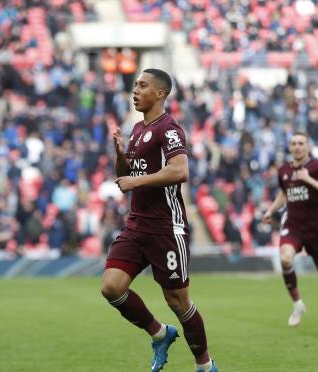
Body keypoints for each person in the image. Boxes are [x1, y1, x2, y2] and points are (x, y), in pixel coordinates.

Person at [100, 69, 218, 372]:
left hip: (166, 227)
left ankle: (205, 366)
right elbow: (125, 175)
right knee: (111, 287)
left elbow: (181, 172)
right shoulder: (138, 129)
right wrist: (120, 155)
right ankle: (160, 334)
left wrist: (136, 183)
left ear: (160, 93)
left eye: (142, 85)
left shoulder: (170, 129)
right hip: (136, 224)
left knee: (178, 302)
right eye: (135, 85)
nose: (135, 90)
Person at [262, 132, 318, 331]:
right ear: (290, 147)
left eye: (301, 143)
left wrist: (309, 180)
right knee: (285, 259)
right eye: (294, 144)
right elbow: (284, 193)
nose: (297, 147)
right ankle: (298, 304)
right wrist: (271, 210)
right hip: (292, 226)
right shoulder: (283, 170)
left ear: (307, 146)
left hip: (316, 229)